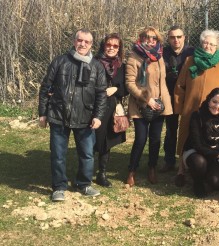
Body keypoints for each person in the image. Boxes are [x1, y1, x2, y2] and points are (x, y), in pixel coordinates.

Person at [38, 28, 107, 201]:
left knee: (87, 154)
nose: (82, 44)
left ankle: (84, 184)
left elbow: (101, 94)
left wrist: (98, 116)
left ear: (91, 45)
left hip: (85, 117)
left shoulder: (97, 67)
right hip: (59, 115)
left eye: (87, 42)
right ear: (74, 41)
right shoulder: (60, 61)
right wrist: (43, 113)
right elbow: (46, 88)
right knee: (58, 154)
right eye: (79, 40)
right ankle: (59, 187)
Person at [174, 29, 219, 186]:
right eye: (205, 42)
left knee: (210, 138)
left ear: (218, 46)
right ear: (201, 43)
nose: (208, 46)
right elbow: (180, 86)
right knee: (185, 138)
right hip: (191, 108)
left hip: (213, 111)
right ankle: (181, 170)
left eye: (212, 44)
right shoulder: (190, 60)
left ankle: (209, 166)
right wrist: (180, 107)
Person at [125, 27, 173, 186]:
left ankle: (152, 167)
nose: (150, 40)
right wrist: (147, 100)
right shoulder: (134, 57)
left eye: (154, 38)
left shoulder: (159, 56)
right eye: (147, 37)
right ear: (141, 38)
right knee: (140, 139)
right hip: (141, 105)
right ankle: (132, 169)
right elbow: (129, 83)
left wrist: (162, 102)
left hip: (158, 105)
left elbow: (162, 82)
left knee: (155, 139)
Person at [183, 88, 219, 197]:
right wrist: (218, 154)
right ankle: (197, 181)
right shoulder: (197, 116)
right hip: (197, 152)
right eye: (214, 102)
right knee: (199, 163)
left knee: (215, 182)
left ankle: (207, 175)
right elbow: (197, 144)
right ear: (209, 100)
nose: (216, 106)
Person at [93, 33, 128, 187]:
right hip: (94, 105)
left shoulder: (122, 66)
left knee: (107, 140)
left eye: (115, 46)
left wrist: (116, 88)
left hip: (112, 107)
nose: (111, 48)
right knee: (92, 139)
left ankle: (102, 173)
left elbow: (126, 88)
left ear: (119, 48)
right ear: (103, 45)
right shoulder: (94, 62)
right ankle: (86, 171)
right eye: (109, 45)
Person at [160, 25, 194, 173]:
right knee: (171, 129)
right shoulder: (162, 53)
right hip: (169, 96)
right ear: (168, 39)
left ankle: (188, 160)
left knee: (189, 128)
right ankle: (169, 160)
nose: (176, 40)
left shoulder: (191, 52)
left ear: (184, 38)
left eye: (179, 37)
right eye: (172, 37)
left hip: (188, 96)